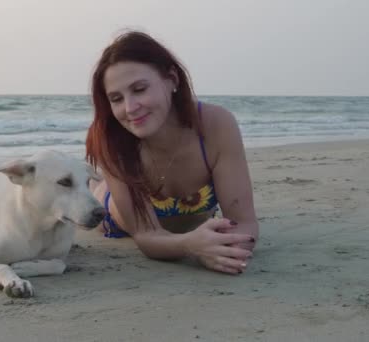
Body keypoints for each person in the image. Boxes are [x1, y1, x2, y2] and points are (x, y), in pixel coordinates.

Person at [86, 31, 259, 275]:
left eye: (139, 89)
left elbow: (244, 222)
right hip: (116, 216)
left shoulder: (216, 125)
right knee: (99, 190)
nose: (130, 108)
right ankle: (97, 184)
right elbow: (147, 236)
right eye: (116, 98)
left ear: (172, 79)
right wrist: (192, 246)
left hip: (185, 228)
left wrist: (224, 250)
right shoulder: (112, 141)